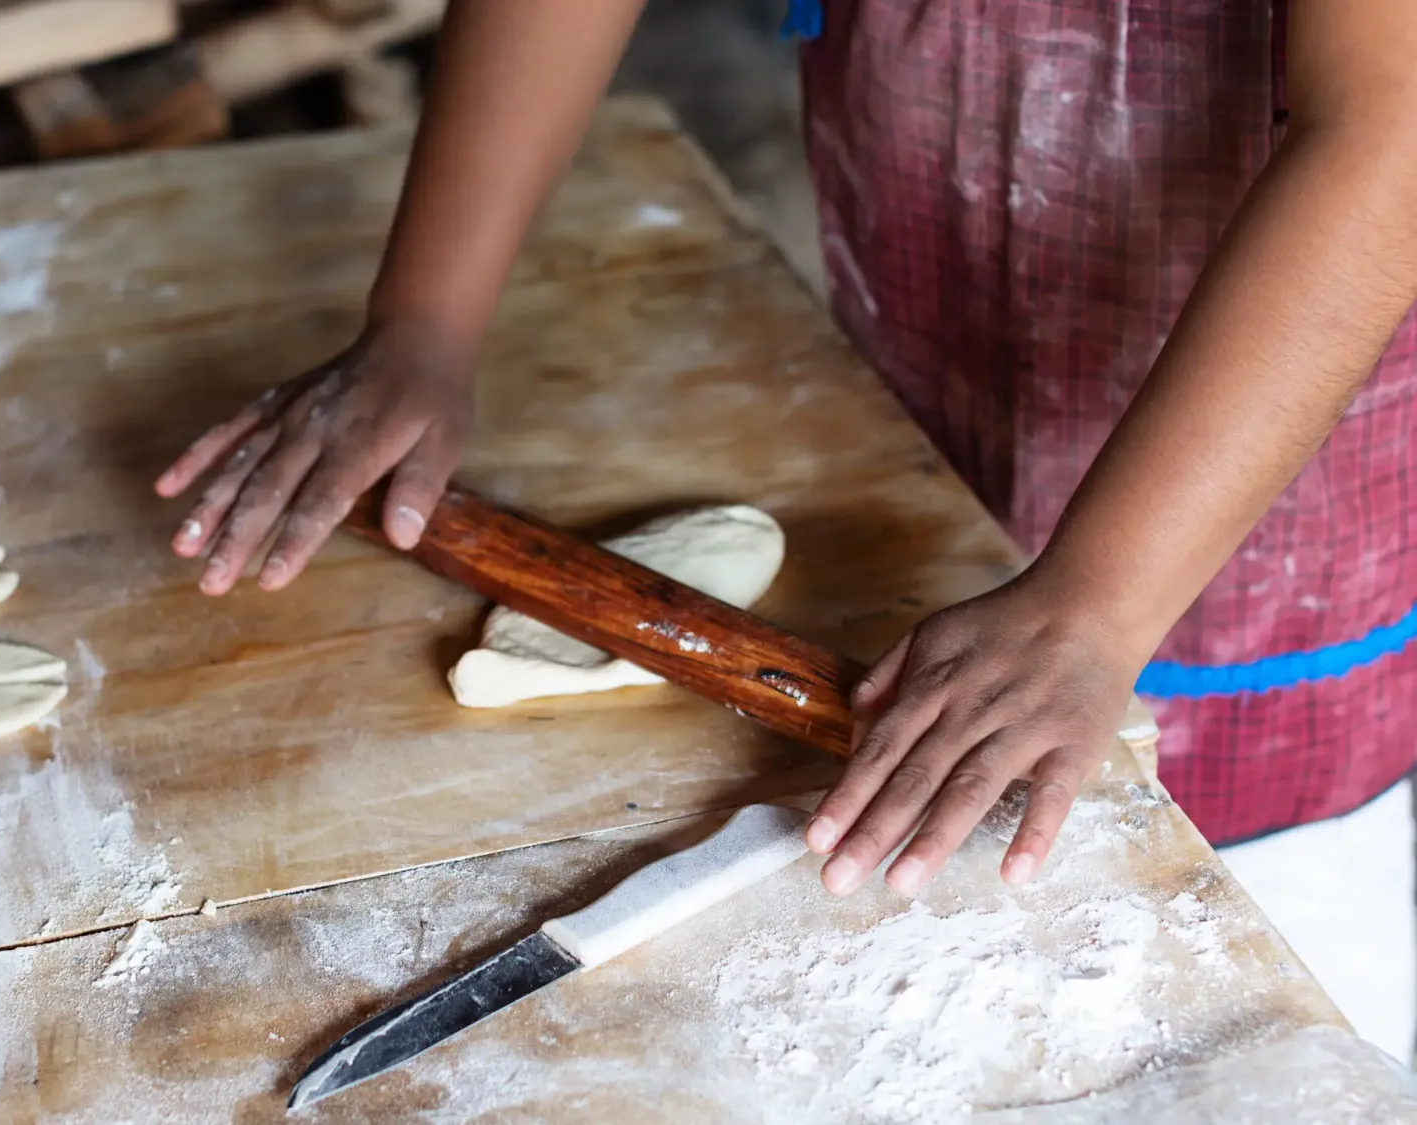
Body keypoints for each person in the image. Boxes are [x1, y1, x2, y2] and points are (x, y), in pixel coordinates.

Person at [155, 2, 1417, 1053]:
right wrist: (422, 315)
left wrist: (1102, 594)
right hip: (935, 292)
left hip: (1273, 433)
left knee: (1241, 995)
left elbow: (1388, 122)